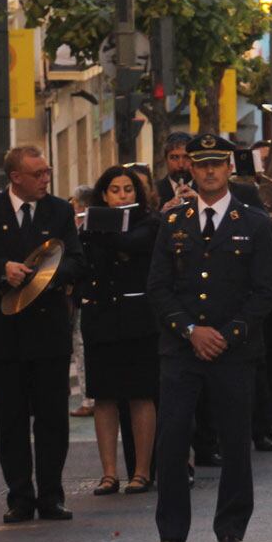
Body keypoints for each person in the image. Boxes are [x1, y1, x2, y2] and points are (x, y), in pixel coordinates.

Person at [145, 135, 272, 542]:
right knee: (171, 439)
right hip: (182, 350)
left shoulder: (254, 222)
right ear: (191, 170)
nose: (208, 172)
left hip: (234, 350)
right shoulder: (173, 221)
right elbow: (159, 288)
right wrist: (190, 331)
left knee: (235, 440)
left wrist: (228, 334)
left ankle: (231, 527)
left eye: (217, 164)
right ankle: (171, 530)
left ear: (228, 169)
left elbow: (264, 291)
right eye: (201, 165)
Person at [0, 145, 84, 525]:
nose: (45, 180)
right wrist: (5, 268)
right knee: (11, 419)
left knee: (52, 418)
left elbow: (76, 260)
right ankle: (20, 496)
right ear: (16, 177)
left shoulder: (60, 210)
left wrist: (46, 276)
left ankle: (52, 495)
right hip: (6, 332)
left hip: (47, 329)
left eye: (47, 172)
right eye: (38, 174)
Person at [80, 166, 161, 495]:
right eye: (115, 190)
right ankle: (109, 473)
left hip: (138, 317)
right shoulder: (89, 225)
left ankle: (141, 471)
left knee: (141, 394)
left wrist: (95, 227)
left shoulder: (150, 221)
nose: (123, 195)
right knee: (104, 396)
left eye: (128, 189)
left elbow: (131, 243)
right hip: (101, 316)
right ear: (104, 194)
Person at [155, 133, 195, 205]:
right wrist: (162, 214)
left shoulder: (206, 189)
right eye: (174, 157)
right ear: (165, 160)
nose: (181, 164)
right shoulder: (156, 191)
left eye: (186, 157)